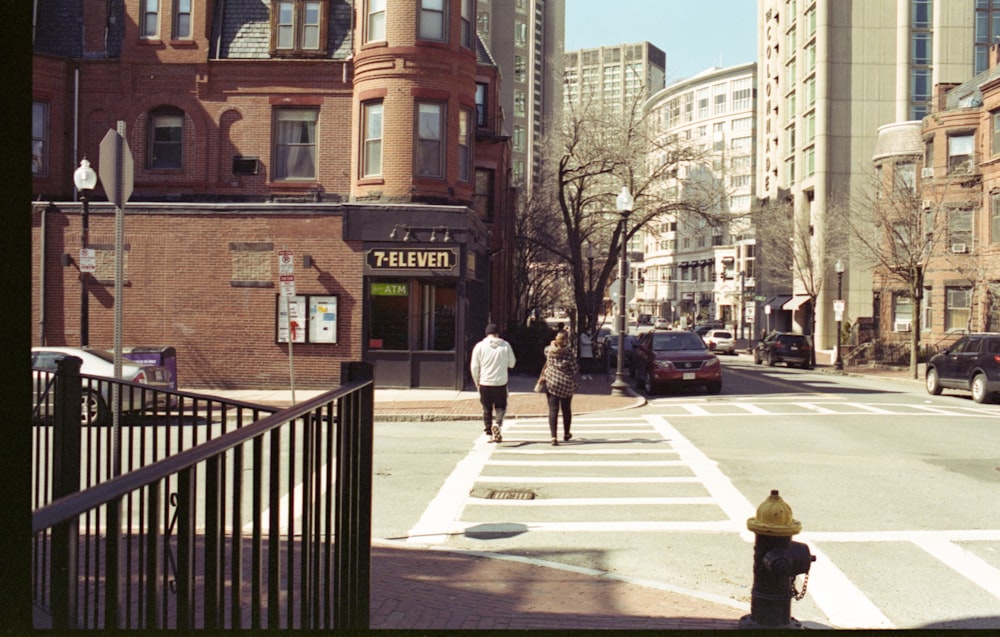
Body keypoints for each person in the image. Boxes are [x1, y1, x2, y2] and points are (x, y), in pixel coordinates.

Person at [470, 323, 516, 442]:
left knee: (486, 408)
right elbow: (512, 363)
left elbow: (474, 366)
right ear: (497, 334)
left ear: (486, 334)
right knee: (501, 406)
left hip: (485, 381)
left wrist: (477, 382)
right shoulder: (505, 345)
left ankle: (488, 433)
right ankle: (498, 424)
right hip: (500, 382)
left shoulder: (479, 346)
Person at [543, 330, 579, 446]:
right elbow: (574, 368)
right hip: (565, 383)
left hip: (551, 382)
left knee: (553, 410)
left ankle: (553, 436)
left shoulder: (548, 350)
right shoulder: (568, 352)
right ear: (566, 340)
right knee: (566, 409)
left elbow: (547, 362)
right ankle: (566, 433)